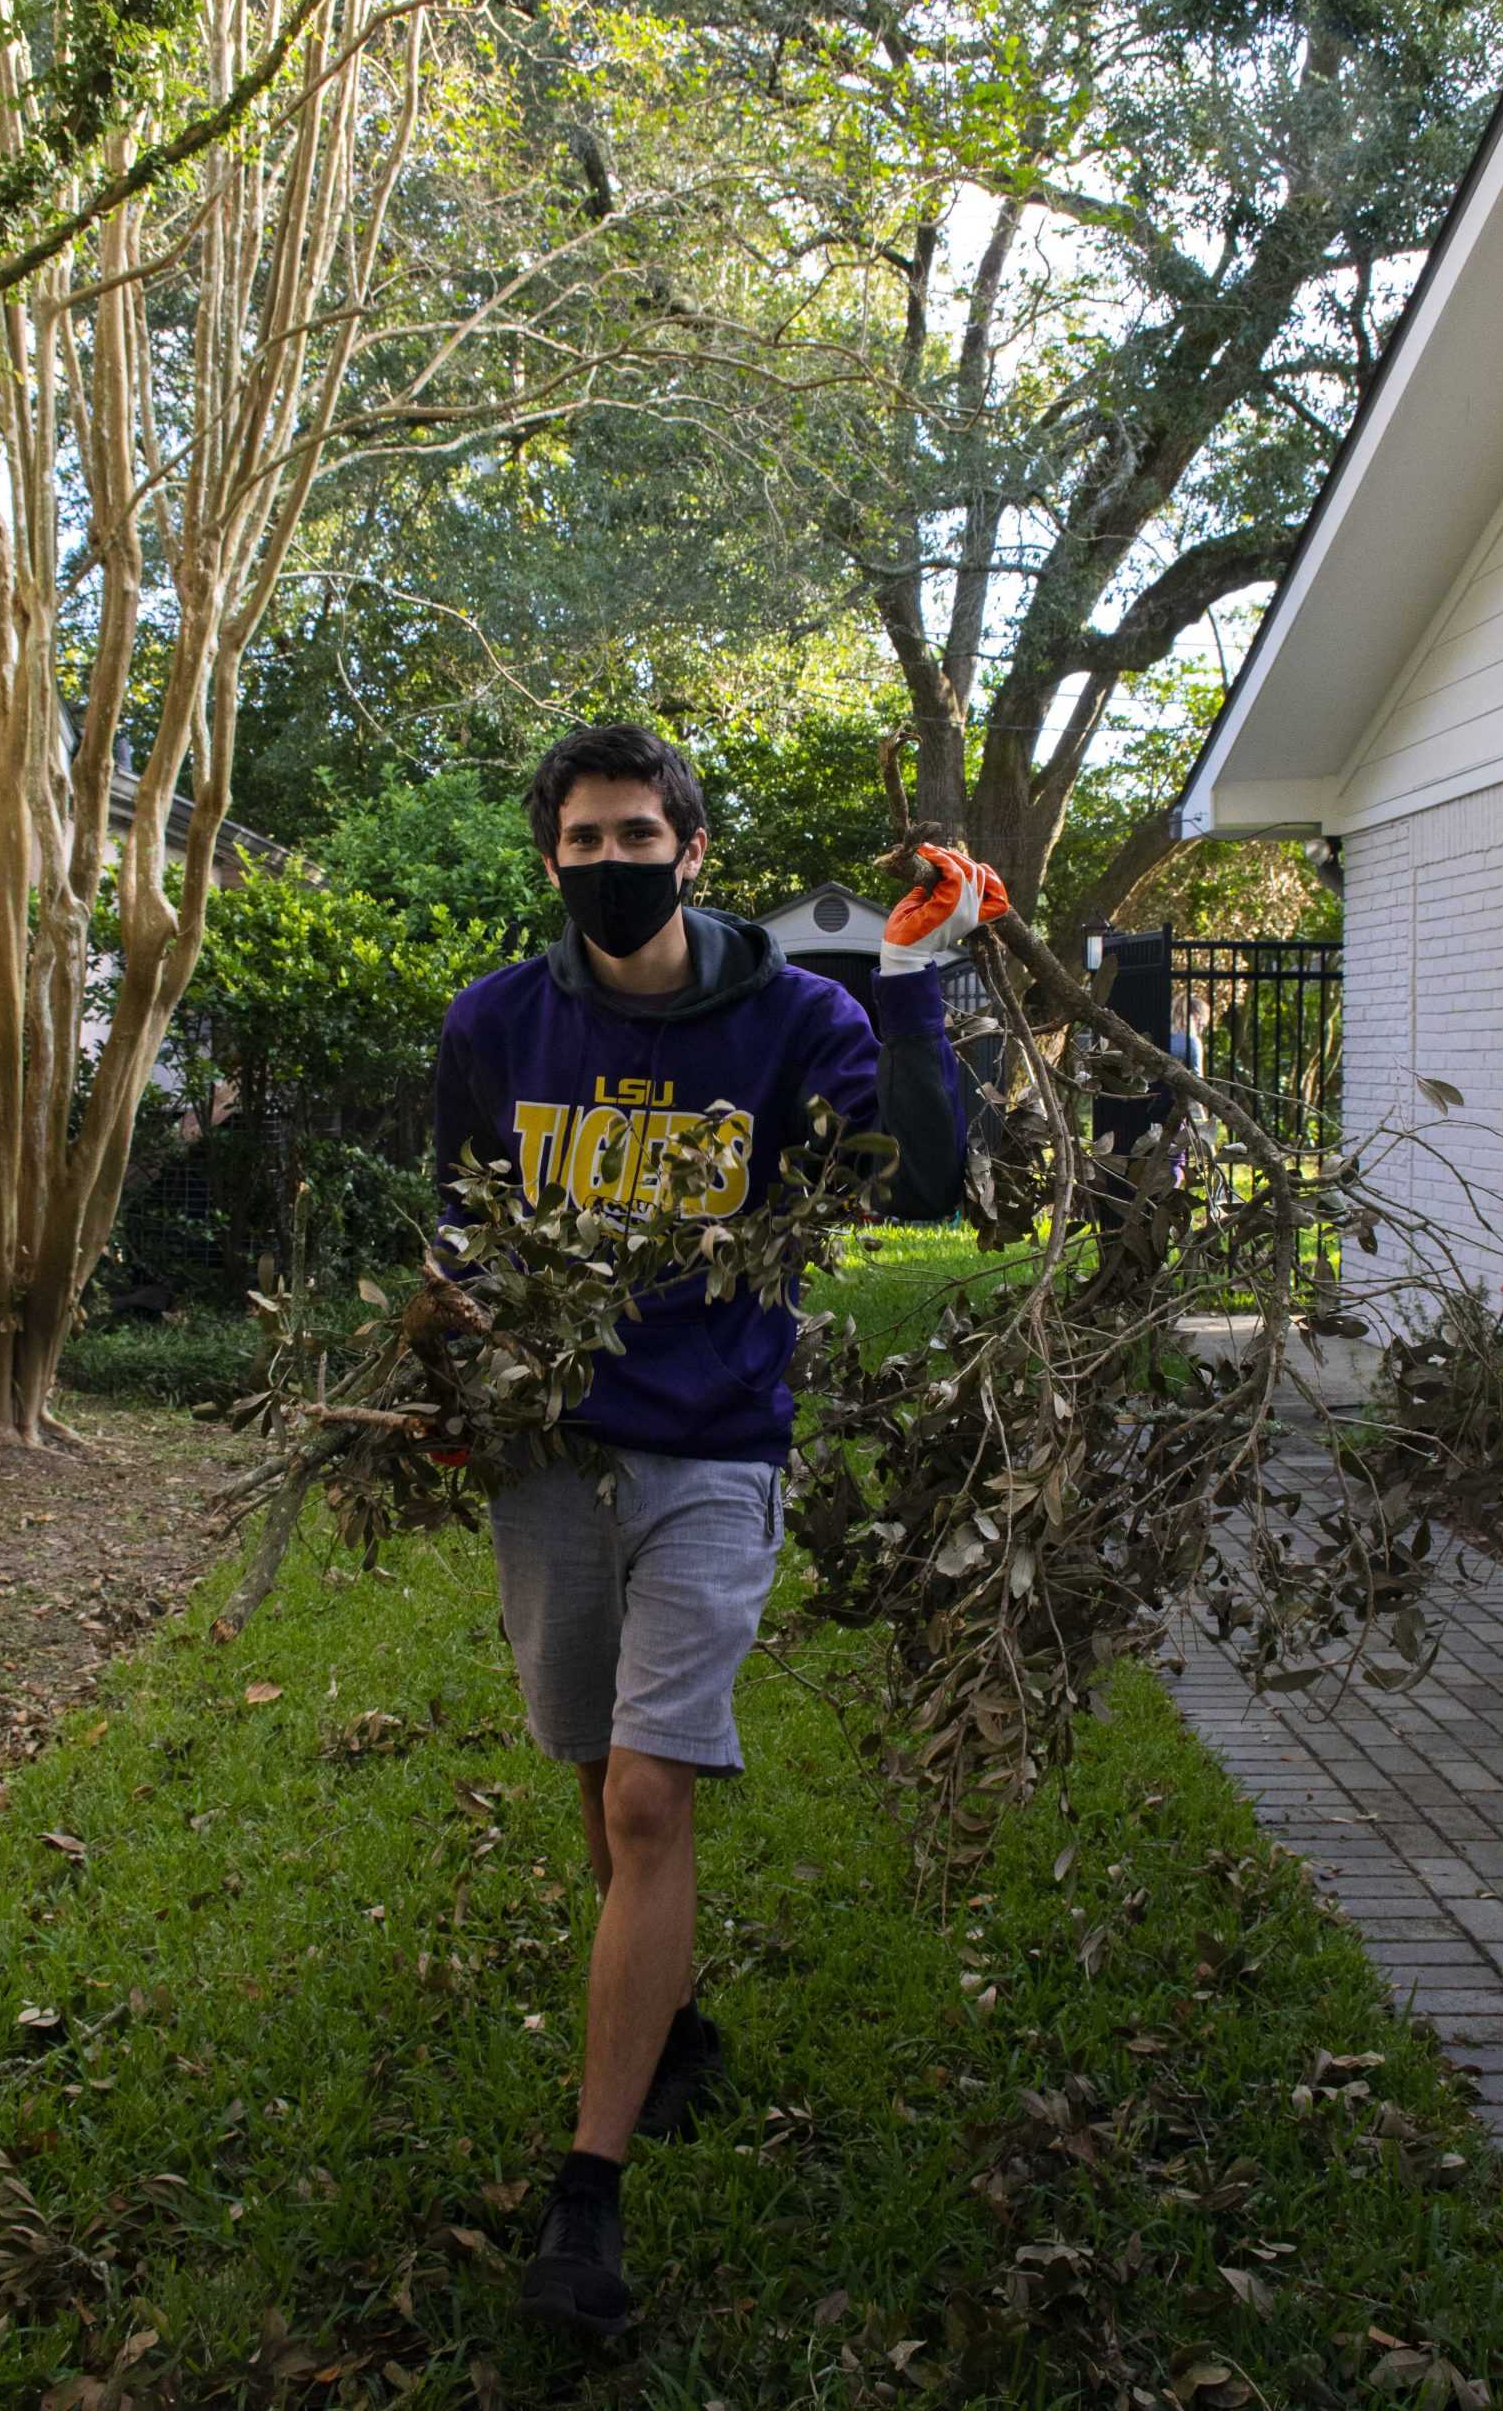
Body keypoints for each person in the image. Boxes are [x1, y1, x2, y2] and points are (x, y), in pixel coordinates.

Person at [431, 723, 1007, 2336]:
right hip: (549, 1451)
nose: (612, 865)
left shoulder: (791, 1020)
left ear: (693, 852)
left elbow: (922, 1182)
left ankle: (586, 2202)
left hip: (713, 1444)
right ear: (550, 858)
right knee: (594, 1772)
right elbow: (462, 1221)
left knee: (645, 1789)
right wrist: (439, 1335)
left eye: (640, 838)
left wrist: (914, 981)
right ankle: (667, 2017)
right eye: (584, 842)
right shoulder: (494, 1024)